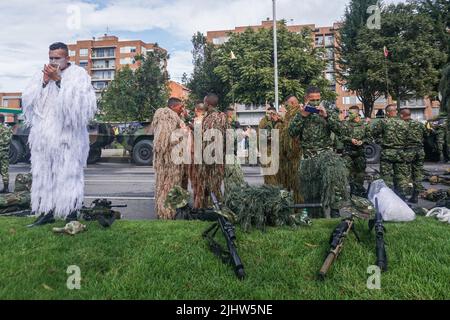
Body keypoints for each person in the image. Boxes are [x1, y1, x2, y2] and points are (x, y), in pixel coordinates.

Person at [22, 42, 97, 227]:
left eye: (57, 58)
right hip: (44, 139)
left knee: (69, 175)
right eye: (51, 58)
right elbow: (28, 103)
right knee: (44, 175)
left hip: (68, 139)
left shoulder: (79, 75)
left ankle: (71, 213)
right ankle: (46, 211)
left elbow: (83, 107)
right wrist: (45, 81)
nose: (53, 61)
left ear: (67, 58)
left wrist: (58, 80)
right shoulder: (40, 75)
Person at [289, 87, 349, 218]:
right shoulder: (300, 114)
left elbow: (342, 131)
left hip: (326, 154)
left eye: (318, 100)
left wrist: (327, 117)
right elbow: (292, 132)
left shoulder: (329, 112)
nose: (315, 103)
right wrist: (302, 116)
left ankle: (335, 212)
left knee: (334, 179)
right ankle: (316, 217)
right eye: (312, 100)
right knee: (311, 191)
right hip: (308, 157)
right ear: (306, 99)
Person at [150, 97, 187, 219]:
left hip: (167, 159)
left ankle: (164, 211)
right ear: (173, 107)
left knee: (163, 185)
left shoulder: (171, 117)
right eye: (180, 107)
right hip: (169, 159)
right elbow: (164, 139)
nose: (182, 109)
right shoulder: (167, 116)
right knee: (168, 185)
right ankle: (165, 213)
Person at [196, 93, 228, 208]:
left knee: (212, 183)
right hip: (216, 157)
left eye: (204, 102)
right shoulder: (221, 116)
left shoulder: (213, 118)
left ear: (208, 104)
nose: (203, 104)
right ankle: (212, 206)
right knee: (213, 184)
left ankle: (212, 207)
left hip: (211, 158)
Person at [371, 104, 409, 199]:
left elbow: (374, 133)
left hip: (387, 152)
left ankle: (389, 199)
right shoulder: (403, 123)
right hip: (401, 152)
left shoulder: (384, 122)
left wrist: (381, 141)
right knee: (401, 177)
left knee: (387, 178)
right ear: (395, 112)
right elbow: (408, 137)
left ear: (387, 113)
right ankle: (402, 199)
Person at [342, 106, 371, 197]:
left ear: (357, 113)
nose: (348, 114)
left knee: (360, 172)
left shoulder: (365, 125)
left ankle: (359, 189)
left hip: (360, 152)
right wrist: (351, 140)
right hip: (348, 152)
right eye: (348, 113)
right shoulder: (345, 124)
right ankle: (352, 189)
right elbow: (341, 137)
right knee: (348, 172)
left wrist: (362, 141)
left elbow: (369, 137)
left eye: (350, 113)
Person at [278, 95, 302, 203]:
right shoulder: (288, 115)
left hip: (297, 153)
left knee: (297, 183)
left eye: (286, 104)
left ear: (292, 103)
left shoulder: (300, 112)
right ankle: (291, 205)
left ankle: (300, 208)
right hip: (287, 154)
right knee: (288, 182)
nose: (285, 106)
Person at [400, 108, 427, 203]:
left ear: (402, 115)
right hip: (419, 151)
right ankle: (415, 196)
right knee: (418, 173)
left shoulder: (401, 125)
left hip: (408, 151)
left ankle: (403, 196)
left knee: (405, 173)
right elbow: (426, 134)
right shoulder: (419, 124)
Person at [258, 106, 283, 185]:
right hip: (267, 150)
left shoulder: (280, 120)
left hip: (278, 150)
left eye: (272, 113)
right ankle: (269, 189)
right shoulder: (263, 121)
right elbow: (260, 135)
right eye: (268, 113)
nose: (270, 115)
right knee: (268, 173)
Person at [0, 115, 12, 193]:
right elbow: (10, 141)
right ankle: (6, 188)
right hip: (5, 152)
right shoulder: (8, 129)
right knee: (5, 170)